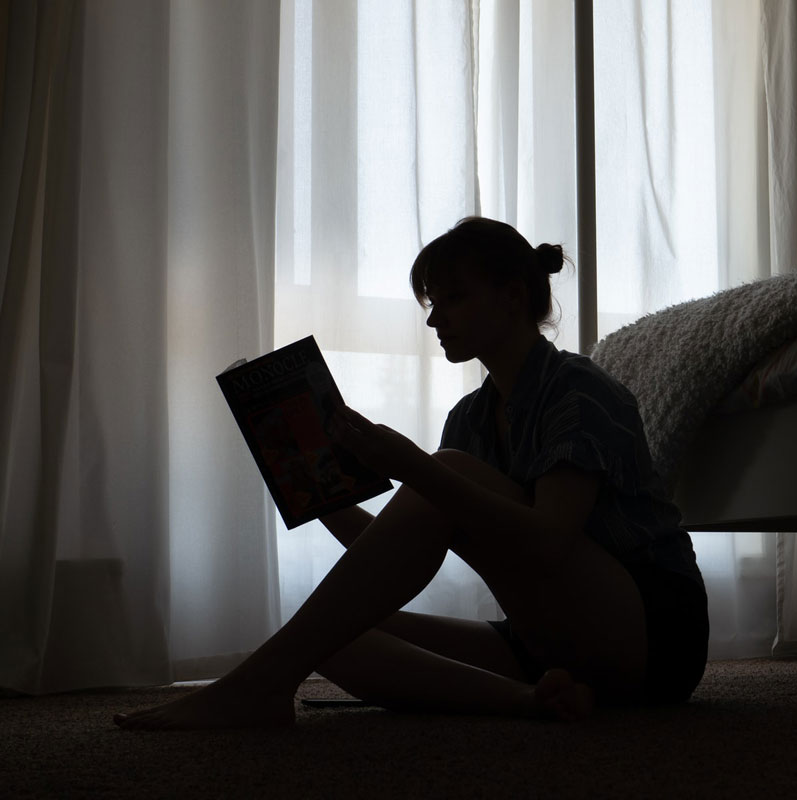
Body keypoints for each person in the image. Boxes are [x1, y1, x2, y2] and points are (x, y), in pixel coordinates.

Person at [114, 217, 709, 729]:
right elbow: (401, 547)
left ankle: (253, 687)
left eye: (453, 298)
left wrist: (411, 466)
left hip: (650, 635)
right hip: (549, 641)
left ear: (512, 294)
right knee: (331, 636)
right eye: (432, 303)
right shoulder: (472, 418)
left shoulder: (579, 392)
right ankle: (533, 701)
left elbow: (549, 542)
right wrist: (314, 481)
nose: (434, 321)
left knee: (443, 473)